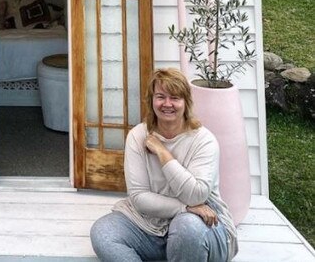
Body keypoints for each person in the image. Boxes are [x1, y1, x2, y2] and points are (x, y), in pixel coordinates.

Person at [90, 68, 238, 262]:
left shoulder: (203, 140)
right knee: (103, 233)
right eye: (161, 97)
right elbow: (139, 197)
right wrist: (184, 208)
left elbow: (196, 195)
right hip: (150, 224)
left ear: (186, 103)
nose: (167, 104)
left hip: (203, 225)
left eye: (175, 98)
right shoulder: (137, 136)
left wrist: (162, 152)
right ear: (152, 101)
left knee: (186, 227)